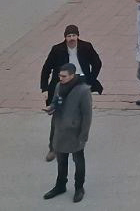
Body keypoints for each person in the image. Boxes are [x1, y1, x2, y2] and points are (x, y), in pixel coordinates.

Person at [43, 64, 92, 202]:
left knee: (78, 161)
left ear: (72, 75)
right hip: (60, 131)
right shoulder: (59, 86)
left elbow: (87, 115)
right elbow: (55, 102)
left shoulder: (83, 91)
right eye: (60, 75)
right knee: (61, 161)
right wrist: (51, 108)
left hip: (75, 133)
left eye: (64, 76)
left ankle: (79, 188)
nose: (61, 78)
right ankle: (60, 185)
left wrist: (84, 135)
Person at [39, 25, 103, 109]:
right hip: (63, 79)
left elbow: (97, 63)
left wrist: (91, 78)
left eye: (74, 35)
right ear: (65, 37)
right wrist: (44, 89)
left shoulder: (86, 47)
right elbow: (46, 69)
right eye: (69, 36)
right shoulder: (57, 50)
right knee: (58, 93)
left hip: (81, 77)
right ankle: (53, 107)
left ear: (77, 36)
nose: (72, 38)